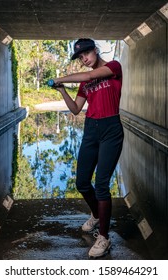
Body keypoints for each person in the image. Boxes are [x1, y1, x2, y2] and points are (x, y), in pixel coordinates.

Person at [52, 38, 124, 258]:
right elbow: (75, 109)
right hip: (91, 130)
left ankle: (104, 237)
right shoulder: (85, 84)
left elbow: (91, 75)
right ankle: (95, 214)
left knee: (101, 184)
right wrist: (62, 89)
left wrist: (60, 77)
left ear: (95, 50)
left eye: (86, 54)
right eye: (80, 57)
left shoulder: (113, 67)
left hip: (111, 129)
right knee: (82, 182)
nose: (84, 59)